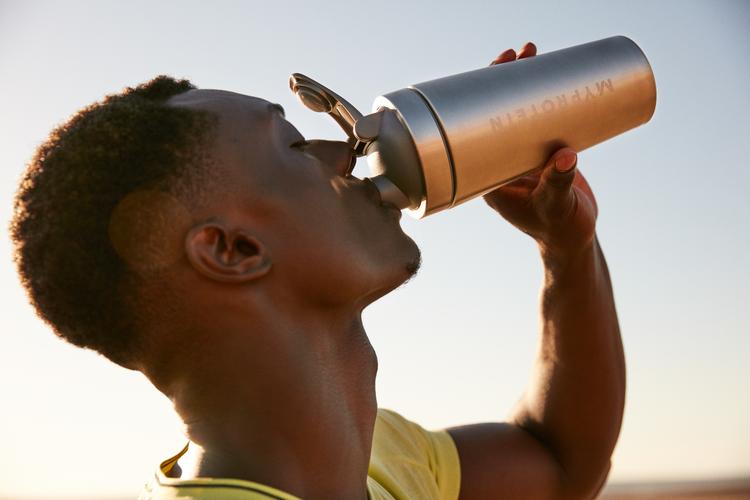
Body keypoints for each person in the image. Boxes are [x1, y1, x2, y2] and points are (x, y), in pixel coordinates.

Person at [10, 42, 624, 500]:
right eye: (297, 146)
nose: (346, 152)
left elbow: (561, 463)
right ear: (234, 251)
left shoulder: (381, 455)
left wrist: (568, 248)